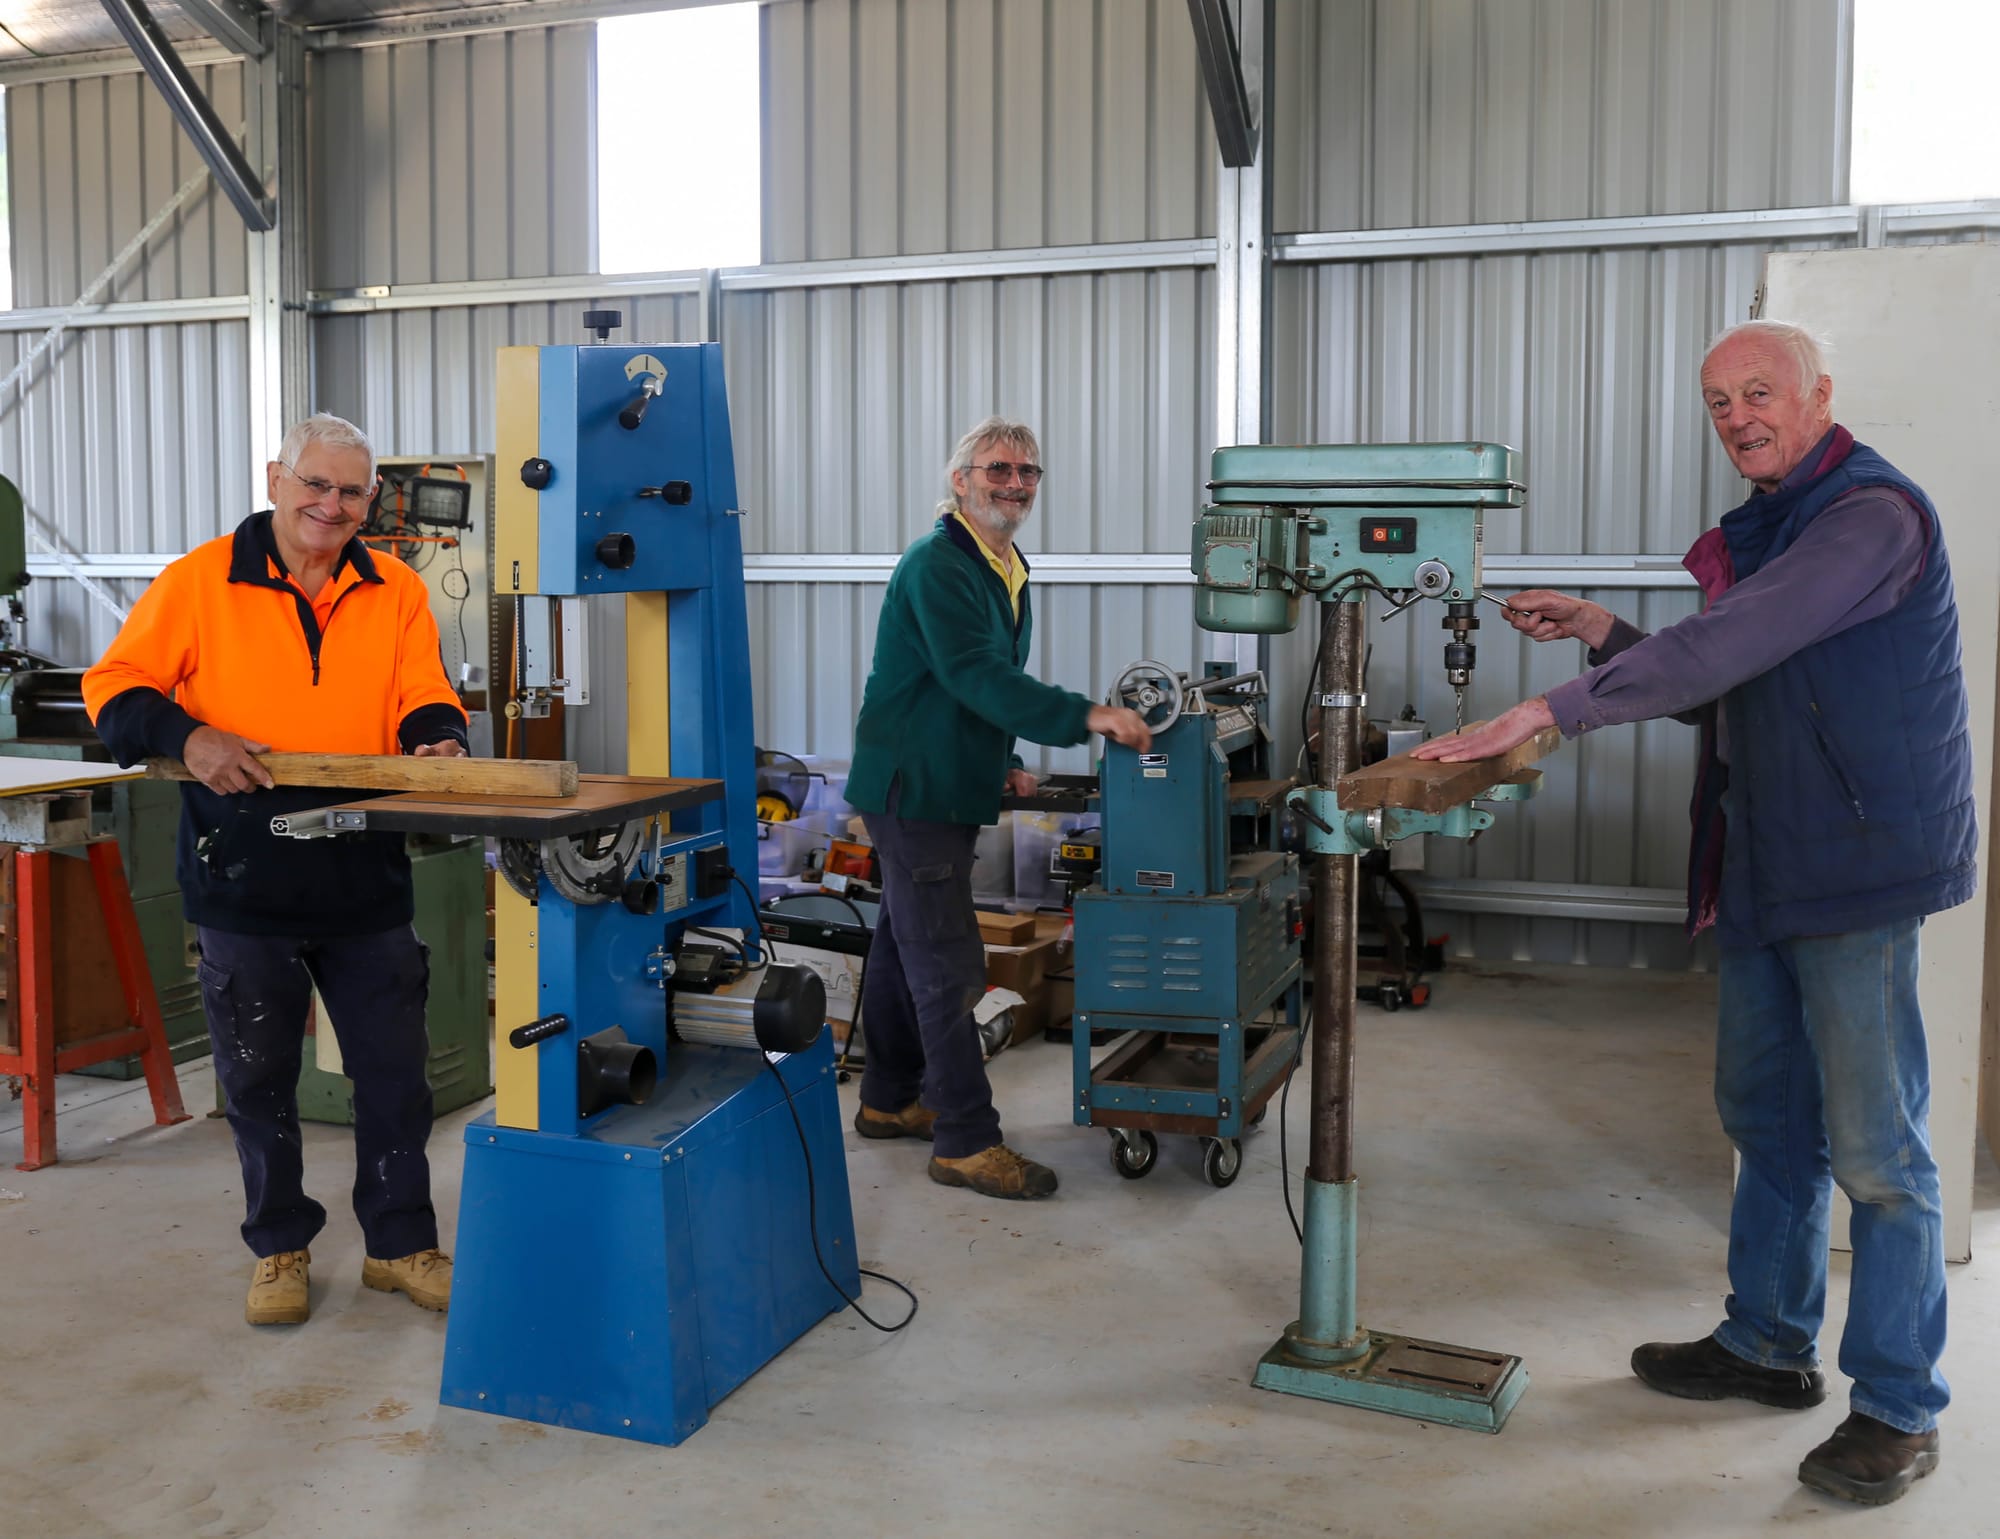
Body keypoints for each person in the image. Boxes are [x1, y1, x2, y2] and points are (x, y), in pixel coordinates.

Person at [1414, 320, 1970, 1505]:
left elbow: (1738, 638)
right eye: (1717, 403)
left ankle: (1897, 1407)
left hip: (1854, 867)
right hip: (1765, 857)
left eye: (1758, 394)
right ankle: (1765, 1344)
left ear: (1818, 395)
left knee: (1878, 1154)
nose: (1736, 420)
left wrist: (1549, 710)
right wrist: (1602, 635)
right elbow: (1727, 681)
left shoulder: (1868, 518)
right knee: (1764, 1117)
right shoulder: (1773, 525)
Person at [82, 413, 471, 1328]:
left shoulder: (396, 589)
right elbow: (114, 690)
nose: (331, 505)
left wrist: (438, 737)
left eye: (351, 491)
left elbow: (424, 692)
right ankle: (279, 1246)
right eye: (315, 484)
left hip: (364, 873)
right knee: (258, 1080)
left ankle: (399, 1243)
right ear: (275, 479)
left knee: (394, 1077)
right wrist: (190, 736)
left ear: (371, 501)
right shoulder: (200, 580)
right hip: (242, 872)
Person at [845, 416, 1152, 1200]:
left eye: (1027, 471)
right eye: (998, 469)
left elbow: (974, 683)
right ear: (961, 480)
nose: (1015, 483)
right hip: (914, 786)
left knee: (900, 951)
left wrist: (1005, 759)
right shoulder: (938, 564)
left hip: (946, 779)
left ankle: (888, 1099)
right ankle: (964, 1139)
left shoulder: (1004, 563)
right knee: (947, 966)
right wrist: (1086, 715)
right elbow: (975, 672)